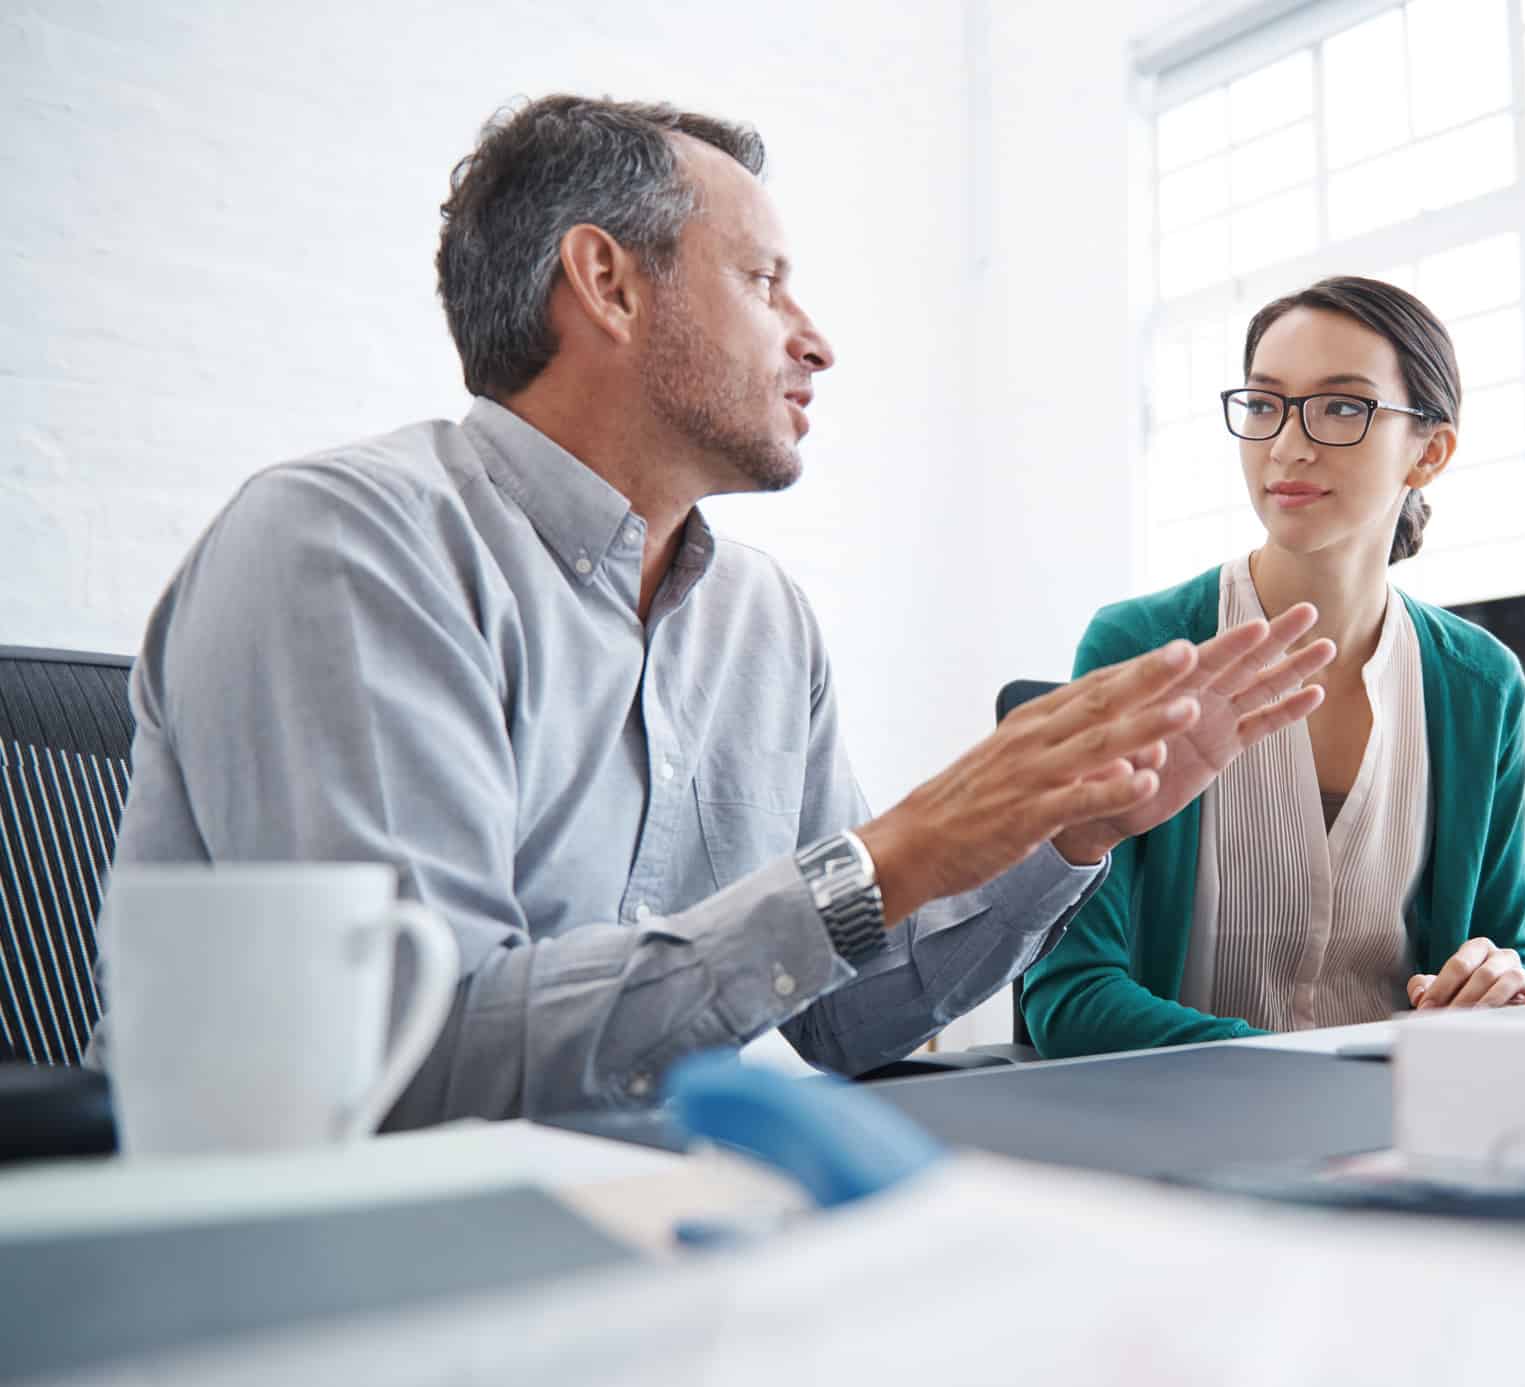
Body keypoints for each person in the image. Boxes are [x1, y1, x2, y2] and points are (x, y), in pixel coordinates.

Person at [98, 96, 1334, 1126]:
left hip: (658, 1231)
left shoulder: (761, 618)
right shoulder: (347, 546)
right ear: (607, 285)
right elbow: (412, 1067)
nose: (817, 343)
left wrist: (1063, 833)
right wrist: (889, 854)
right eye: (765, 282)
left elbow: (848, 1020)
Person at [1021, 276, 1525, 1059]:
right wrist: (1312, 1068)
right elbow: (1069, 995)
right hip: (1188, 1130)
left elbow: (1507, 951)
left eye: (1343, 406)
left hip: (1398, 1127)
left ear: (1430, 450)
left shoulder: (1482, 684)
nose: (1289, 445)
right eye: (1266, 403)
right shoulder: (1140, 646)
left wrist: (1499, 983)